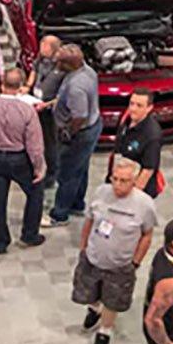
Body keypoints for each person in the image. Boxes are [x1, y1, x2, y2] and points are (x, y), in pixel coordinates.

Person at [74, 158, 159, 344]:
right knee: (90, 290)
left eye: (124, 180)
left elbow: (147, 235)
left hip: (120, 265)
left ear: (134, 181)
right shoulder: (101, 193)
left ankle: (105, 331)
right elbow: (89, 221)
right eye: (115, 179)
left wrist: (135, 262)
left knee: (112, 301)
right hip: (93, 257)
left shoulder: (144, 204)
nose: (118, 185)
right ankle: (94, 309)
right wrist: (83, 247)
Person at [0, 67, 47, 254]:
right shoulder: (27, 111)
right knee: (35, 192)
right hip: (19, 159)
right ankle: (30, 234)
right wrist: (39, 167)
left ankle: (0, 241)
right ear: (21, 87)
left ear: (1, 85)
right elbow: (34, 145)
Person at [50, 43, 103, 224]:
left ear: (68, 65)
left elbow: (79, 116)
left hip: (80, 134)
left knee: (67, 174)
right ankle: (77, 204)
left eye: (59, 62)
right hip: (92, 127)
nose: (56, 64)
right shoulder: (87, 70)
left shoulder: (76, 87)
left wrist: (68, 132)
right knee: (80, 168)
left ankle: (60, 214)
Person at [107, 88, 165, 197]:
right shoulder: (126, 120)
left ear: (149, 108)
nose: (133, 109)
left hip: (137, 191)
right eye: (131, 103)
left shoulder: (152, 136)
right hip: (120, 179)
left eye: (139, 105)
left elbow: (147, 171)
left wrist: (131, 198)